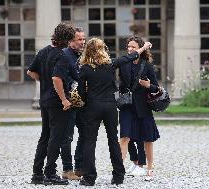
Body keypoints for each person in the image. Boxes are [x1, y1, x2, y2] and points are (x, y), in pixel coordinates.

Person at [77, 38, 152, 186]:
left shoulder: (84, 68)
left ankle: (89, 177)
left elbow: (80, 91)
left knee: (89, 142)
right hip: (110, 106)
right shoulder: (110, 64)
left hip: (92, 106)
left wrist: (87, 101)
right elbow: (131, 56)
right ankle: (118, 176)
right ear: (103, 49)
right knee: (113, 140)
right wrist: (143, 48)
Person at [27, 22, 76, 185]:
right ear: (68, 39)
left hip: (45, 101)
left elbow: (30, 71)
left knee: (45, 136)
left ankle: (37, 174)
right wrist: (64, 99)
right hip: (57, 103)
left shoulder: (43, 52)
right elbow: (56, 78)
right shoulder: (61, 56)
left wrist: (44, 81)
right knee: (56, 137)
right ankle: (50, 174)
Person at [118, 35, 160, 181]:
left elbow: (156, 87)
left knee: (147, 138)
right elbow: (120, 84)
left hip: (143, 107)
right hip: (127, 106)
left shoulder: (147, 65)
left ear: (140, 49)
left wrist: (149, 86)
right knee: (124, 136)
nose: (130, 49)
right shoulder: (123, 64)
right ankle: (119, 169)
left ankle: (149, 168)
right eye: (128, 47)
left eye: (133, 47)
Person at [60, 26, 85, 180]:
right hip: (69, 103)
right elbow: (61, 78)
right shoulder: (64, 55)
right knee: (67, 137)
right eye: (79, 39)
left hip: (82, 103)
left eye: (83, 39)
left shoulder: (82, 55)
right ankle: (67, 170)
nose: (82, 42)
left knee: (85, 134)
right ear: (71, 41)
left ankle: (80, 167)